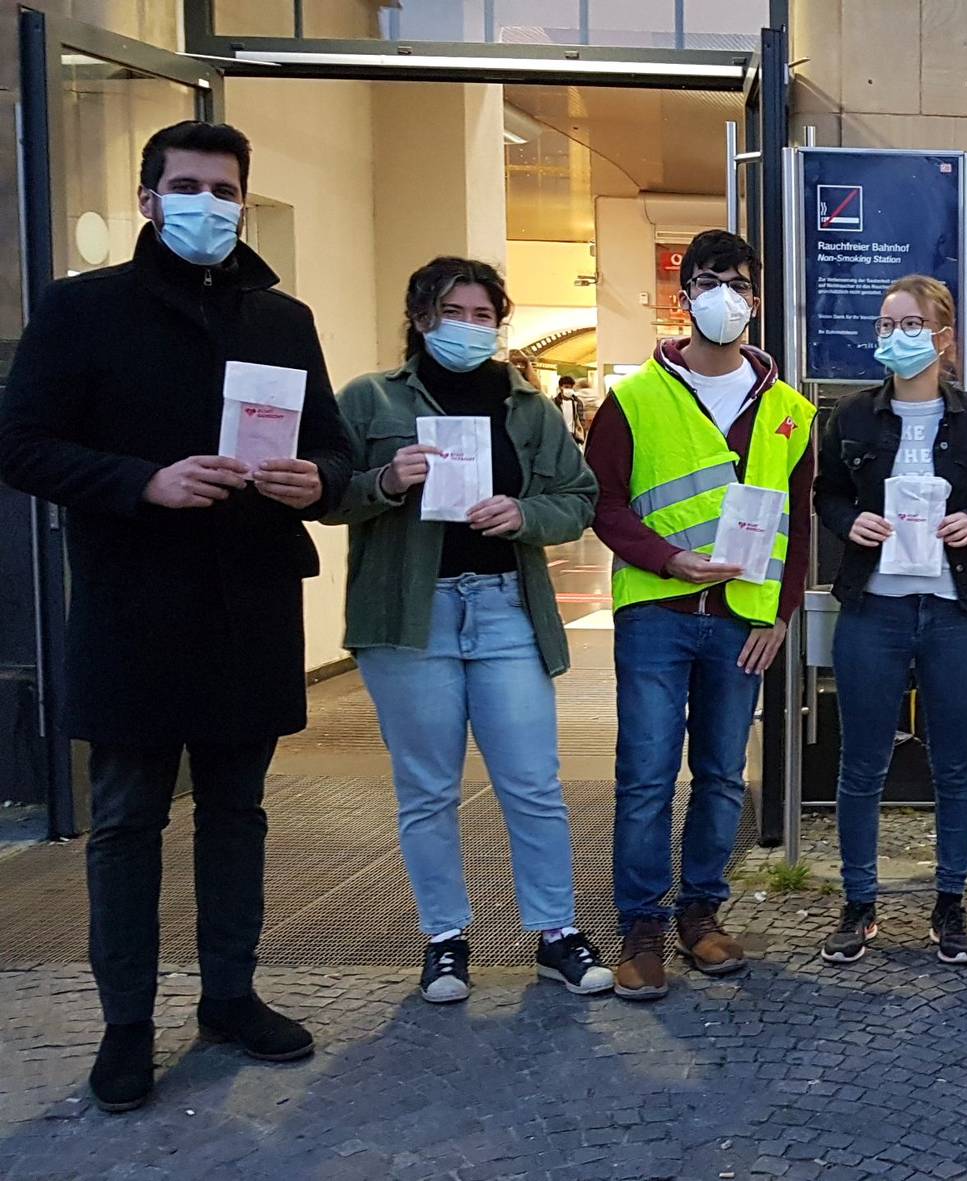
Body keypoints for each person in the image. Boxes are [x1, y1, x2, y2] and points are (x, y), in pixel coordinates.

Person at [0, 121, 350, 1112]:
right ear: (149, 198)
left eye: (226, 189)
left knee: (238, 813)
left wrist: (310, 479)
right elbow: (20, 444)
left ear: (244, 199)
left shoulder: (283, 319)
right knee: (126, 818)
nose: (210, 204)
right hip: (131, 605)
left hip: (248, 600)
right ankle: (126, 1024)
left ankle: (230, 996)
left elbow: (329, 451)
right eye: (188, 186)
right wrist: (143, 481)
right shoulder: (81, 310)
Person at [327, 258, 612, 1004]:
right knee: (426, 788)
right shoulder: (369, 399)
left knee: (533, 781)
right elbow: (326, 495)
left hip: (504, 607)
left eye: (486, 314)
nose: (471, 327)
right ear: (421, 316)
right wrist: (387, 482)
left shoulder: (526, 404)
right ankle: (446, 938)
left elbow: (577, 497)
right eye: (457, 311)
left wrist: (524, 515)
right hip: (408, 618)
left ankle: (555, 932)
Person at [585, 229, 814, 999]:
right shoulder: (633, 399)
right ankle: (641, 926)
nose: (727, 295)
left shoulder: (789, 409)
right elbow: (605, 506)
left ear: (758, 297)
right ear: (685, 297)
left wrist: (781, 613)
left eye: (741, 282)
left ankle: (701, 915)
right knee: (646, 774)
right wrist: (670, 559)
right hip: (657, 609)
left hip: (743, 620)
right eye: (711, 280)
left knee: (720, 776)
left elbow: (798, 520)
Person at [812, 275, 967, 965]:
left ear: (945, 338)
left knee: (957, 763)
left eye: (910, 324)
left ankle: (951, 900)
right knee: (861, 761)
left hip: (955, 609)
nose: (894, 337)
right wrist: (850, 520)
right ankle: (859, 899)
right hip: (875, 608)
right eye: (886, 324)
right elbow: (827, 492)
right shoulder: (852, 416)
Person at [553, 375, 593, 444]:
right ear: (560, 387)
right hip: (559, 437)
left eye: (571, 388)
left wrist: (581, 436)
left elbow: (581, 420)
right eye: (566, 387)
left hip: (574, 437)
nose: (569, 390)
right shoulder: (554, 403)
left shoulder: (577, 402)